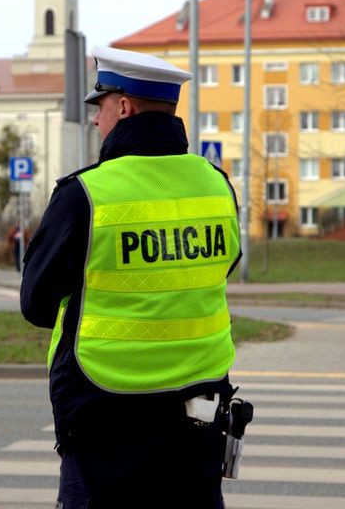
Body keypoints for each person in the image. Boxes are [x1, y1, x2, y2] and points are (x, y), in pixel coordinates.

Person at [21, 46, 242, 508]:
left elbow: (36, 304)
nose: (96, 121)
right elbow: (221, 268)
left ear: (123, 107)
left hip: (106, 414)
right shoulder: (217, 184)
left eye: (99, 107)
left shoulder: (86, 193)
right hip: (199, 414)